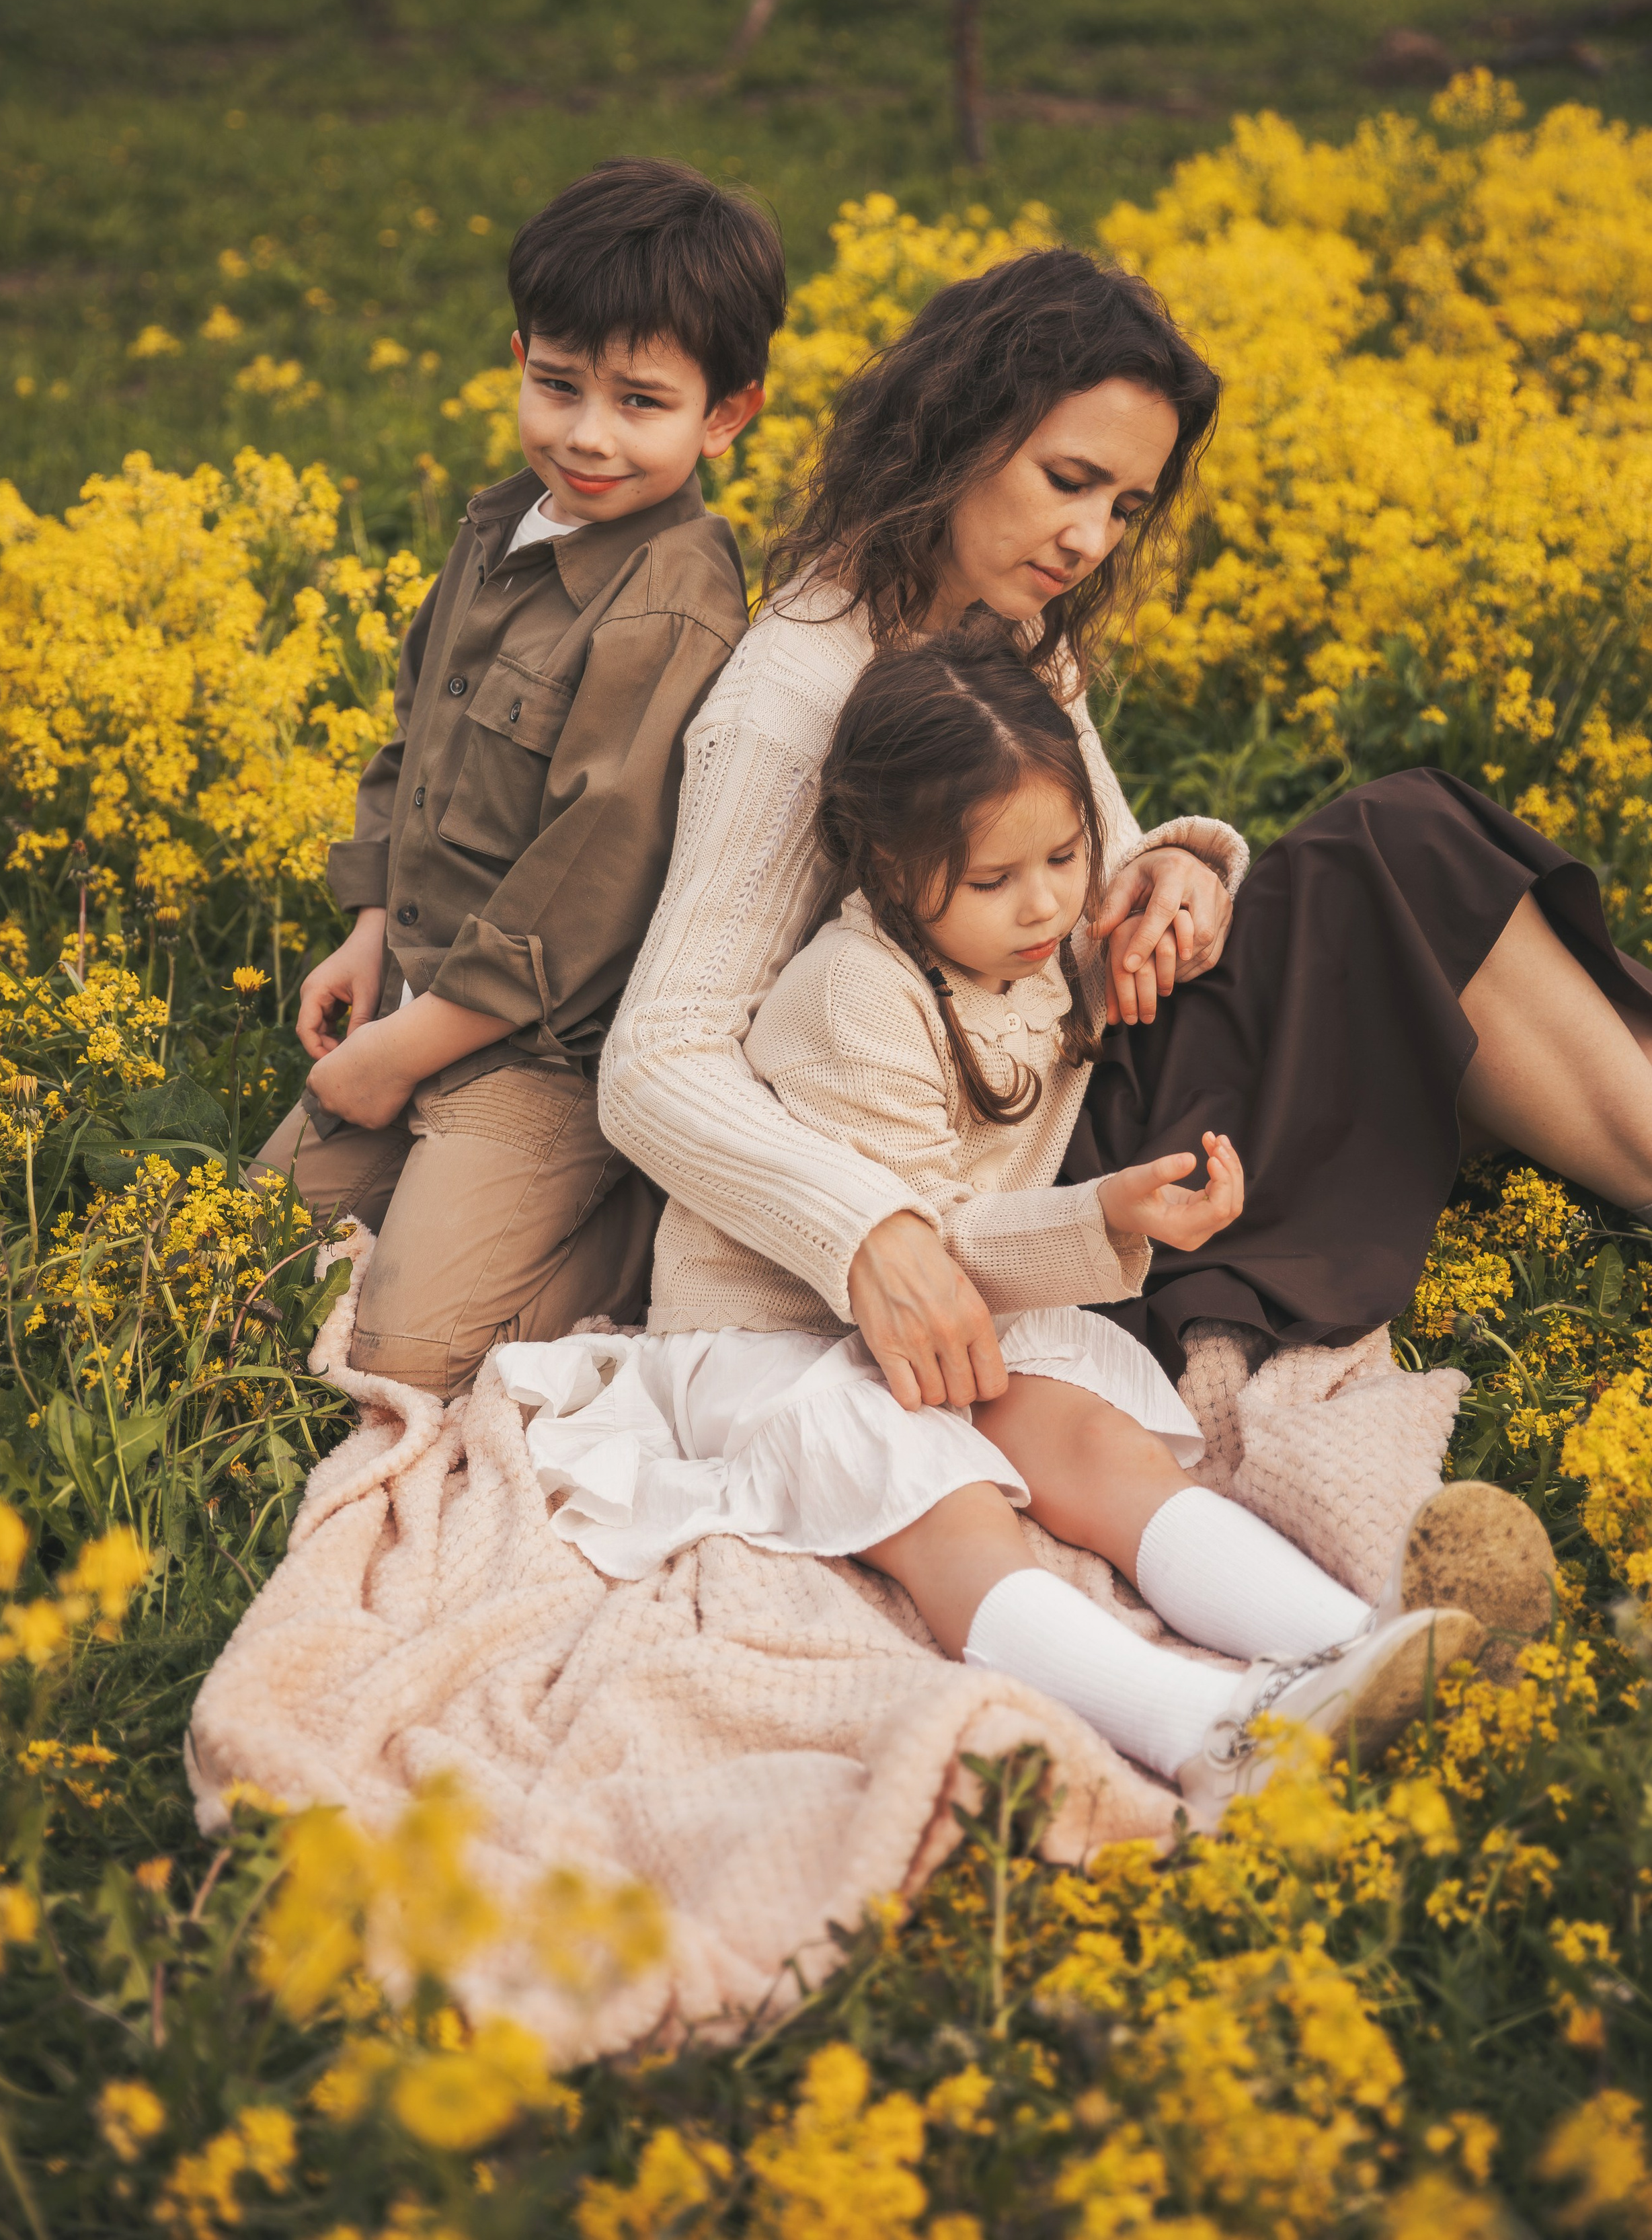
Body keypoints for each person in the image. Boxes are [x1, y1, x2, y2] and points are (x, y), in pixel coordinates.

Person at [599, 244, 1652, 1518]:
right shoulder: (795, 692)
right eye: (1068, 481)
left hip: (1095, 1064)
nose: (1089, 539)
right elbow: (656, 1059)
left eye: (1126, 507)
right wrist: (873, 1232)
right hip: (1039, 1183)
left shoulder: (1011, 630)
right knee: (1401, 848)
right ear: (955, 433)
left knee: (1416, 844)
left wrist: (1176, 877)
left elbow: (1080, 867)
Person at [506, 628, 1491, 1822]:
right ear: (884, 869)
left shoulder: (1040, 934)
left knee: (1095, 1446)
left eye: (1067, 856)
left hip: (959, 1312)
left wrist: (1183, 869)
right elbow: (913, 1241)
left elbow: (1148, 889)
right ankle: (1203, 1731)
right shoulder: (857, 996)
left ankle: (1356, 1645)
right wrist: (1104, 1216)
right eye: (993, 881)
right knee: (937, 1498)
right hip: (786, 1328)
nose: (1045, 906)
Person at [253, 157, 785, 1389]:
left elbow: (586, 887)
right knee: (251, 1270)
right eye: (558, 386)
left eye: (641, 403)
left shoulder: (669, 606)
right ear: (518, 359)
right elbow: (417, 741)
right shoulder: (503, 528)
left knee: (403, 1358)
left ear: (726, 416)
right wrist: (370, 931)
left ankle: (641, 1225)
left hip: (546, 1055)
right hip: (420, 987)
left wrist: (398, 1055)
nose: (587, 434)